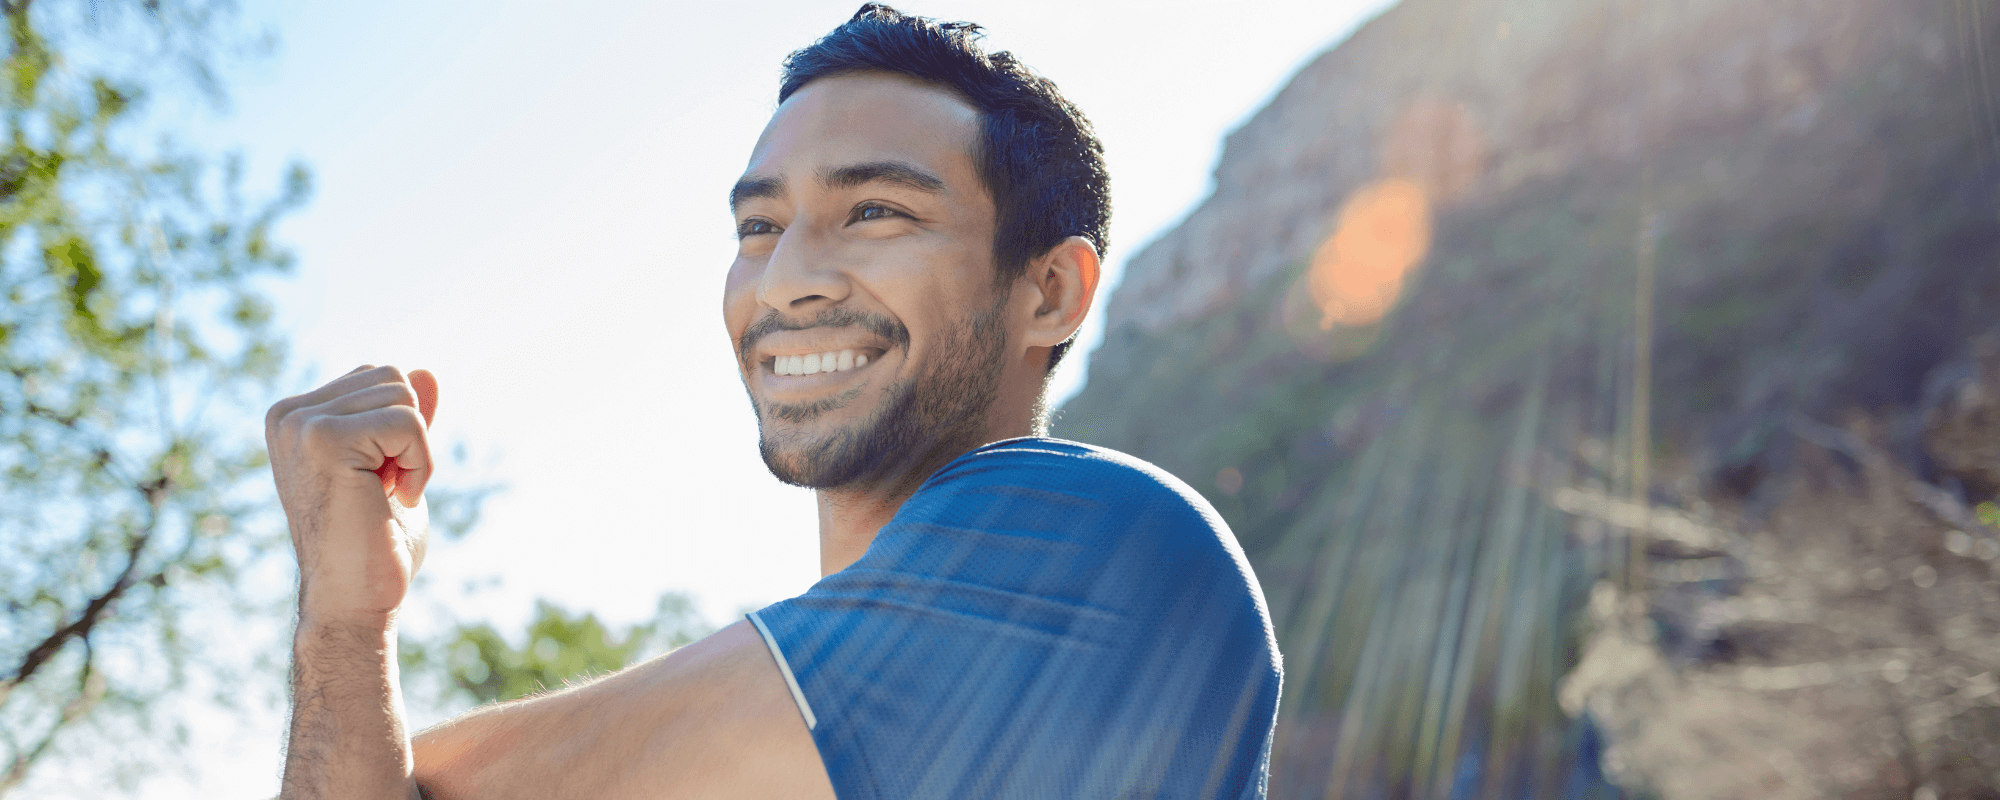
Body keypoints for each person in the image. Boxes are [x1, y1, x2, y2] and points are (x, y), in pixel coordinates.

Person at [264, 5, 1281, 798]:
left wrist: (345, 639)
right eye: (758, 226)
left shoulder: (1102, 543)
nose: (785, 279)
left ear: (1047, 289)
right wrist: (345, 616)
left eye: (874, 210)